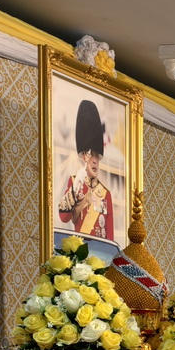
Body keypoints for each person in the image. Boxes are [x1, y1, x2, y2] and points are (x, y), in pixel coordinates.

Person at [57, 99, 115, 245]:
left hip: (101, 258)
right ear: (84, 157)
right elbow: (64, 217)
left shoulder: (105, 193)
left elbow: (110, 236)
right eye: (91, 155)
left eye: (97, 156)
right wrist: (76, 185)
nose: (95, 160)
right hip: (80, 253)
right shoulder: (74, 183)